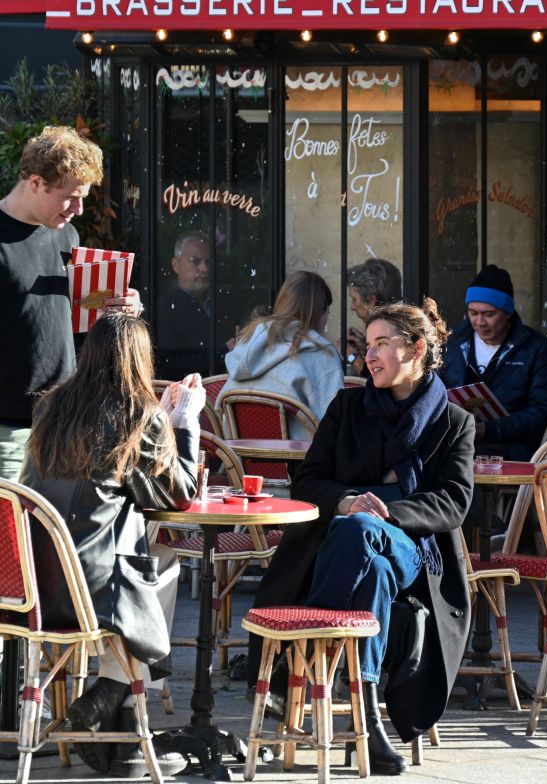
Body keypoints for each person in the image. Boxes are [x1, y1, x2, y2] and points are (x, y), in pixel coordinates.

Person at [247, 299, 474, 775]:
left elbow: (453, 501)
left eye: (382, 344)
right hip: (346, 548)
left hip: (412, 550)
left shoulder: (454, 422)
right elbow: (307, 480)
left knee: (364, 531)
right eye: (367, 345)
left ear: (416, 348)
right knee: (367, 564)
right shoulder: (348, 406)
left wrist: (385, 512)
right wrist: (348, 502)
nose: (368, 356)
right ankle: (365, 721)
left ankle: (316, 649)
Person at [20, 312, 202, 778]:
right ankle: (110, 688)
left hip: (32, 589)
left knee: (152, 560)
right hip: (90, 592)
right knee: (166, 563)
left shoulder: (49, 407)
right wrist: (184, 420)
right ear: (140, 361)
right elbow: (182, 494)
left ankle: (118, 743)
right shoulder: (139, 415)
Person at [0, 125, 142, 481]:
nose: (78, 209)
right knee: (9, 533)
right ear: (35, 182)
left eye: (83, 198)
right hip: (7, 428)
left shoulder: (67, 234)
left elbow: (73, 314)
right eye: (70, 197)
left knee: (54, 533)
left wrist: (120, 307)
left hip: (64, 421)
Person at [440, 264, 547, 461]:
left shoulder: (535, 348)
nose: (479, 322)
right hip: (454, 441)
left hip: (511, 447)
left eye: (489, 314)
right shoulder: (452, 342)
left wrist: (487, 430)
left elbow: (540, 411)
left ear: (508, 312)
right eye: (473, 313)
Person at [216, 270, 343, 437]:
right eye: (327, 313)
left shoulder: (246, 344)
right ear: (320, 312)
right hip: (300, 460)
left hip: (239, 459)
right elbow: (336, 425)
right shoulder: (322, 355)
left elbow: (220, 413)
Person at [156, 230, 234, 380]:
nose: (205, 269)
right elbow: (168, 364)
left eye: (208, 262)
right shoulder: (164, 308)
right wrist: (222, 352)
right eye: (195, 261)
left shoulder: (225, 303)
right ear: (175, 265)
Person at [346, 258, 403, 376]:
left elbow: (377, 380)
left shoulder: (391, 330)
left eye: (354, 299)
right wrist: (365, 346)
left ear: (371, 300)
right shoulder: (399, 322)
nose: (352, 307)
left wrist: (351, 355)